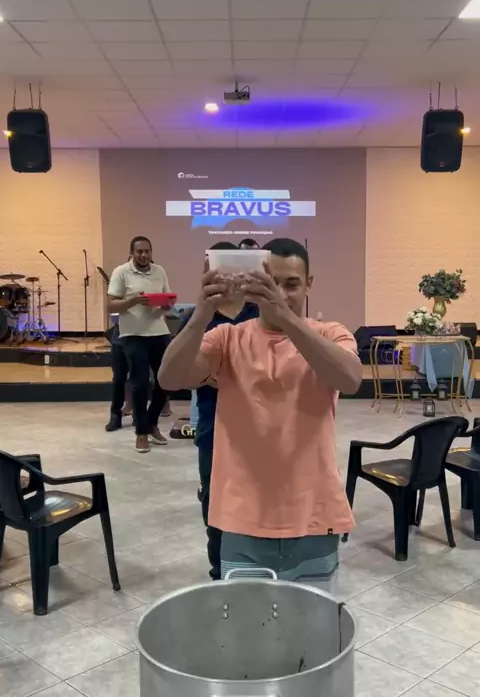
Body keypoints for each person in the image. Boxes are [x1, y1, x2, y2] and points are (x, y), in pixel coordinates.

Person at [159, 237, 362, 589]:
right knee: (246, 620)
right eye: (272, 283)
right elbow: (170, 377)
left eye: (291, 284)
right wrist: (202, 313)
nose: (280, 294)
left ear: (309, 284)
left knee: (313, 618)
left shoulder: (330, 333)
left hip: (314, 514)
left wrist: (286, 318)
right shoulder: (227, 338)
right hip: (242, 518)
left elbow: (350, 379)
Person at [178, 242, 258, 580]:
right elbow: (178, 371)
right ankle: (219, 570)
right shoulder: (195, 318)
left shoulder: (260, 313)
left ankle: (255, 567)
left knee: (257, 499)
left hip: (259, 428)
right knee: (214, 501)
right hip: (213, 426)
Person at [108, 236, 171, 453]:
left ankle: (151, 423)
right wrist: (133, 300)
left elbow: (165, 299)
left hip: (159, 331)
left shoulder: (159, 271)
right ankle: (141, 433)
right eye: (139, 252)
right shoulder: (121, 272)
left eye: (147, 251)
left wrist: (167, 304)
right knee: (140, 384)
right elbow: (111, 306)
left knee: (167, 380)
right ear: (132, 253)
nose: (144, 255)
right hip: (133, 334)